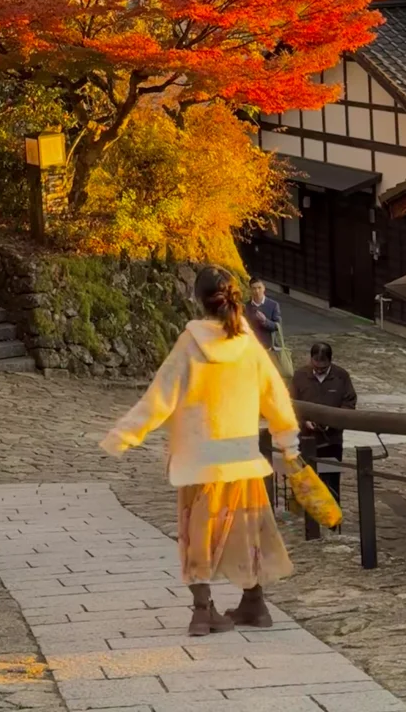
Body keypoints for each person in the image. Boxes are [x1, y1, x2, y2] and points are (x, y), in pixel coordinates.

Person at [100, 266, 299, 637]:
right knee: (248, 529)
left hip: (197, 458)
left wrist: (123, 435)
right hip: (240, 456)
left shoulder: (190, 344)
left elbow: (158, 399)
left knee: (198, 531)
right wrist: (288, 442)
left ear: (198, 299)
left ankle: (202, 610)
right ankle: (254, 603)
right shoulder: (248, 345)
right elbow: (276, 397)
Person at [290, 342, 357, 506]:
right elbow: (290, 404)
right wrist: (304, 421)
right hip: (305, 439)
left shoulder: (341, 376)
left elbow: (349, 402)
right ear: (311, 360)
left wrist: (333, 421)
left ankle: (332, 515)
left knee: (330, 479)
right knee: (306, 479)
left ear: (330, 361)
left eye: (323, 367)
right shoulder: (300, 376)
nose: (319, 370)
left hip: (331, 439)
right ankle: (307, 514)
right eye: (316, 366)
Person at [244, 277, 282, 352]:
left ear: (264, 288)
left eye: (259, 288)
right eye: (254, 288)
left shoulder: (273, 305)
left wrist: (265, 320)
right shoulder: (246, 306)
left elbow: (278, 326)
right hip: (251, 347)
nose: (257, 291)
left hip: (268, 348)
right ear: (250, 290)